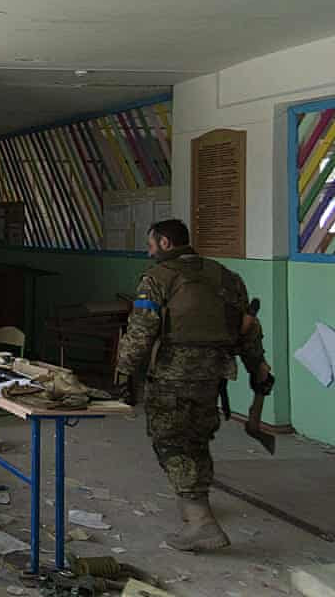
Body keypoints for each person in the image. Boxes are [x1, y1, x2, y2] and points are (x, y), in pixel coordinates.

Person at [114, 219, 272, 552]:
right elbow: (247, 329)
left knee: (171, 442)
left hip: (172, 375)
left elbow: (140, 334)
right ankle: (194, 505)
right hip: (214, 375)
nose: (149, 252)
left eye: (151, 245)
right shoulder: (227, 277)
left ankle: (201, 521)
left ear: (166, 243)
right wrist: (257, 367)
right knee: (197, 439)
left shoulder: (156, 279)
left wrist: (122, 374)